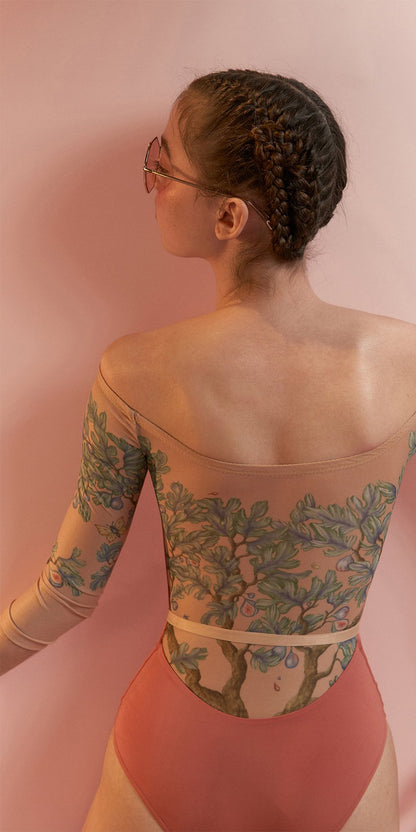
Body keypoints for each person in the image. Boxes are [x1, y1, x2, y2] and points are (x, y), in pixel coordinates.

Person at [1, 68, 415, 832]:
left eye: (162, 164)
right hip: (343, 748)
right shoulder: (406, 365)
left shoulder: (137, 374)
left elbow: (69, 591)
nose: (151, 183)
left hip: (176, 744)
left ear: (228, 216)